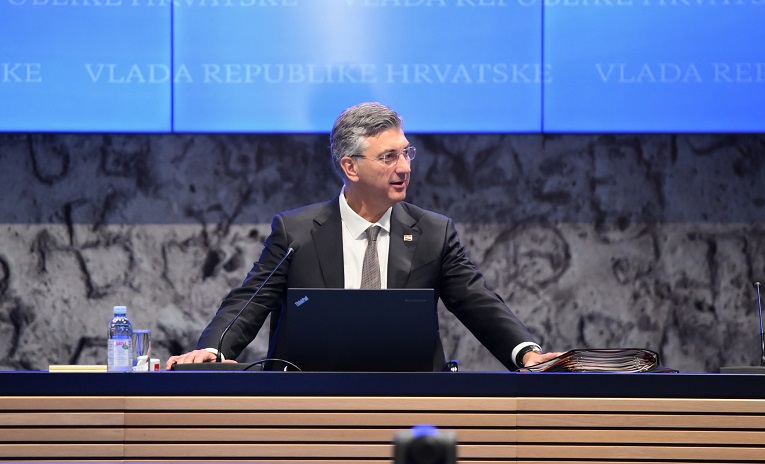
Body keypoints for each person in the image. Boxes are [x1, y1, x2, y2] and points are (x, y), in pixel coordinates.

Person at [166, 102, 560, 371]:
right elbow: (250, 301)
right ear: (350, 167)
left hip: (410, 404)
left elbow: (477, 301)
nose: (404, 167)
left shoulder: (433, 232)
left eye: (406, 153)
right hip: (308, 407)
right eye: (389, 157)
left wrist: (526, 352)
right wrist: (213, 349)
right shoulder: (297, 232)